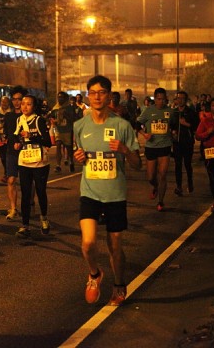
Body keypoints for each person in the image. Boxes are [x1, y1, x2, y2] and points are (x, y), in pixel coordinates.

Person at [73, 75, 141, 307]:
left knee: (115, 246)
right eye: (93, 93)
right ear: (88, 96)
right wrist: (79, 157)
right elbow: (81, 155)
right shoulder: (80, 126)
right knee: (88, 243)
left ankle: (119, 284)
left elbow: (137, 164)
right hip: (90, 192)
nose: (97, 97)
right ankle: (95, 274)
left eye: (102, 92)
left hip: (115, 194)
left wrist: (125, 150)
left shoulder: (122, 126)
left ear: (109, 96)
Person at [8, 95, 52, 238]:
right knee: (25, 194)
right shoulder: (19, 120)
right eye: (23, 104)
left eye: (29, 104)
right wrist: (17, 143)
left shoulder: (39, 120)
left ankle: (44, 218)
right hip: (24, 161)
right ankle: (25, 225)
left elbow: (47, 141)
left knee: (40, 191)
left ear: (34, 106)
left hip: (40, 162)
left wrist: (31, 136)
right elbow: (16, 136)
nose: (25, 107)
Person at [137, 87, 174, 212]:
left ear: (166, 99)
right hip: (151, 146)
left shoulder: (170, 111)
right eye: (158, 99)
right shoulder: (148, 111)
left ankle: (161, 201)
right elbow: (137, 124)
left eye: (163, 99)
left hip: (165, 145)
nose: (161, 101)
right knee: (151, 177)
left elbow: (174, 125)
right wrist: (144, 134)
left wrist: (173, 132)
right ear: (155, 99)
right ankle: (155, 186)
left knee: (163, 174)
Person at [4, 85, 28, 220]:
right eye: (14, 99)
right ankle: (13, 208)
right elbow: (7, 133)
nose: (16, 102)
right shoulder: (9, 116)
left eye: (19, 99)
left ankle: (29, 203)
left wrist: (22, 142)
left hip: (26, 152)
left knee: (27, 182)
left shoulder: (29, 117)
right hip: (11, 152)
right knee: (11, 180)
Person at [170, 91, 198, 196]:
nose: (180, 100)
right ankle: (179, 186)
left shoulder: (191, 112)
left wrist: (186, 124)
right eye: (178, 98)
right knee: (178, 165)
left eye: (182, 98)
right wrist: (172, 131)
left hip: (187, 142)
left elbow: (196, 126)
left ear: (186, 100)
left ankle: (190, 182)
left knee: (187, 164)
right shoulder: (173, 112)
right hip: (176, 143)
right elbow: (171, 125)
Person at [49, 91, 77, 173]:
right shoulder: (55, 108)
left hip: (67, 130)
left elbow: (73, 118)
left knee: (69, 148)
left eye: (61, 97)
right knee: (58, 145)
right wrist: (53, 120)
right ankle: (58, 165)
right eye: (58, 97)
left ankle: (71, 161)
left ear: (65, 98)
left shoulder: (69, 108)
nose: (60, 99)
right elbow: (51, 117)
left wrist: (65, 115)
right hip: (58, 130)